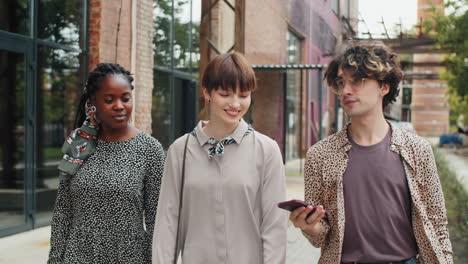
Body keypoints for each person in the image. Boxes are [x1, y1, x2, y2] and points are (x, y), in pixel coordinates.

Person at [289, 41, 453, 264]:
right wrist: (309, 226)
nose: (346, 90)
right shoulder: (320, 155)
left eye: (357, 80)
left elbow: (437, 223)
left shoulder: (418, 150)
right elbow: (321, 237)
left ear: (384, 86)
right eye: (341, 82)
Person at [152, 52, 287, 263]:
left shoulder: (266, 150)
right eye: (225, 94)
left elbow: (274, 227)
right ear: (207, 92)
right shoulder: (180, 150)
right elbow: (168, 223)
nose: (235, 104)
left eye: (243, 95)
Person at [48, 63, 165, 263]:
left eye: (125, 98)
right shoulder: (79, 143)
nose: (119, 105)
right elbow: (63, 211)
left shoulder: (150, 149)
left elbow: (158, 220)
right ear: (93, 101)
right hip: (78, 256)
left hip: (129, 257)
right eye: (109, 100)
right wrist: (55, 259)